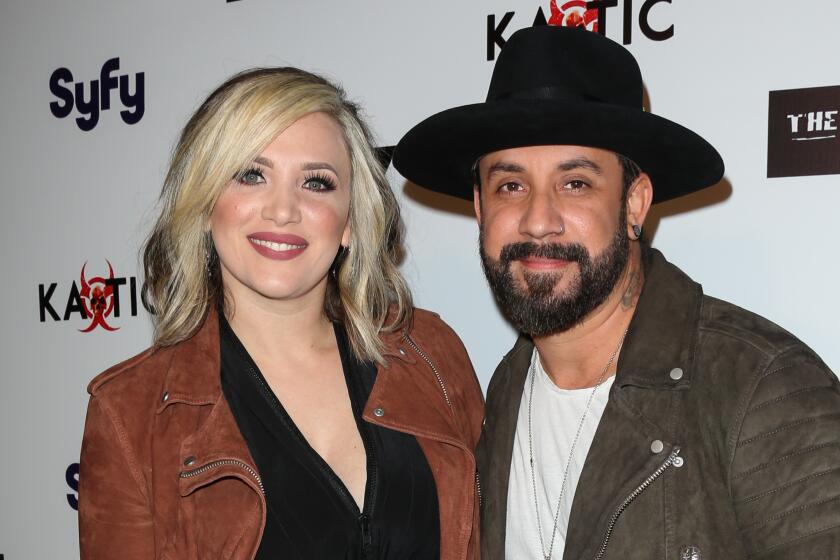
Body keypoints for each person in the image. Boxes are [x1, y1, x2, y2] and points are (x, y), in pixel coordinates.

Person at [393, 26, 840, 559]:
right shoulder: (503, 389)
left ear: (634, 203)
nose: (538, 221)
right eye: (510, 186)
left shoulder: (761, 386)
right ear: (479, 206)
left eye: (575, 183)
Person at [78, 67, 484, 560]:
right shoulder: (131, 414)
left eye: (316, 183)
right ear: (207, 205)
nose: (283, 210)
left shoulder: (430, 354)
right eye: (252, 175)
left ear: (350, 222)